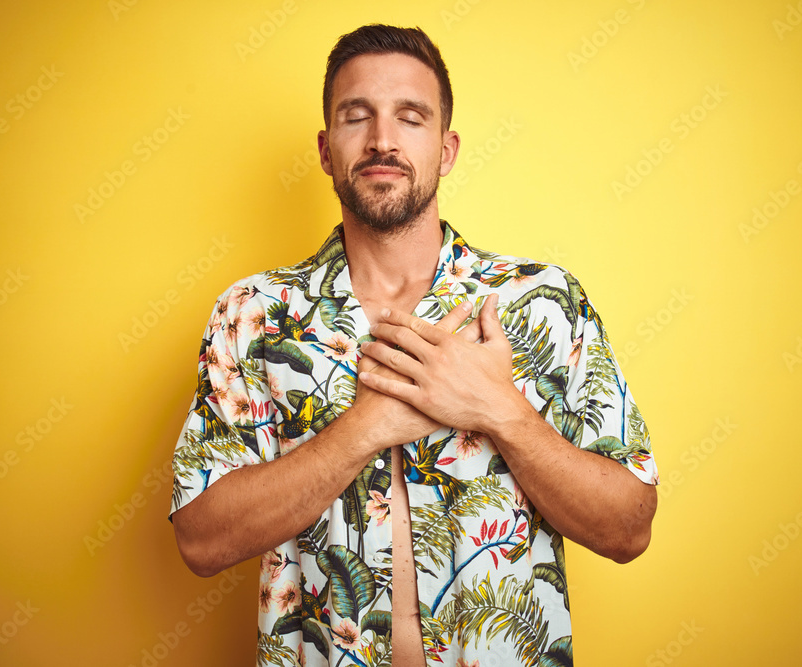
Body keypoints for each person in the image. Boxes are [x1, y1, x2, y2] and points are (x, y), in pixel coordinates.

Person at [169, 24, 658, 667]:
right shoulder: (252, 316)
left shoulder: (541, 301)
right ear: (325, 148)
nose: (382, 140)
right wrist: (365, 428)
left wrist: (497, 407)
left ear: (446, 148)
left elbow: (629, 528)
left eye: (411, 117)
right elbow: (201, 542)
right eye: (356, 116)